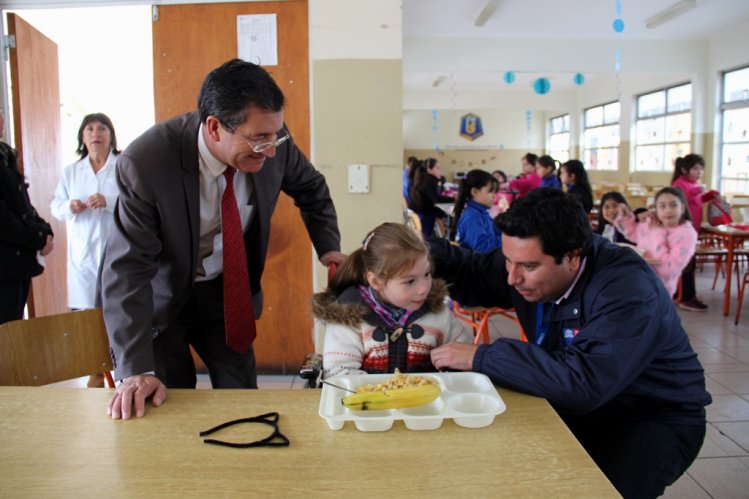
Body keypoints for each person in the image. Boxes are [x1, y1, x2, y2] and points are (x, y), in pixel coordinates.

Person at [427, 188, 710, 498]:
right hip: (582, 403)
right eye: (509, 261)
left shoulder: (627, 289)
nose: (512, 278)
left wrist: (482, 356)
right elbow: (473, 274)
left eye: (529, 267)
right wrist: (421, 254)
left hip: (652, 417)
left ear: (574, 256)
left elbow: (583, 382)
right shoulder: (528, 259)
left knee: (596, 492)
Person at [101, 59, 344, 420]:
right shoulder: (147, 163)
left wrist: (329, 248)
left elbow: (311, 187)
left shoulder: (273, 139)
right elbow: (127, 269)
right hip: (161, 298)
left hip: (226, 294)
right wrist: (135, 368)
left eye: (274, 135)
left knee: (242, 399)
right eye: (260, 138)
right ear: (214, 128)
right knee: (168, 403)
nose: (272, 149)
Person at [311, 223, 471, 378]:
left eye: (427, 274)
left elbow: (462, 354)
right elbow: (338, 373)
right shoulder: (347, 320)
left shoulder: (438, 314)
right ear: (376, 282)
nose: (424, 288)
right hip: (368, 404)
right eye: (410, 281)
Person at [51, 113, 120, 310]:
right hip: (83, 257)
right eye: (89, 129)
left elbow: (135, 202)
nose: (95, 133)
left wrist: (107, 201)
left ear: (111, 136)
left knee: (116, 313)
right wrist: (70, 207)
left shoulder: (123, 166)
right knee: (86, 318)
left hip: (116, 250)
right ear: (82, 137)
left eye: (102, 128)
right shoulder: (71, 172)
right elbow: (56, 206)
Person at [0, 111, 55, 324]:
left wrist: (44, 229)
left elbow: (22, 205)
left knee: (12, 333)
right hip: (4, 266)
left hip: (15, 266)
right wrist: (37, 237)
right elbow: (2, 219)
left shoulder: (5, 155)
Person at [615, 187, 697, 296]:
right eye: (662, 206)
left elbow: (668, 269)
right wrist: (625, 216)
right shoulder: (653, 223)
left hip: (659, 291)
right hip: (637, 284)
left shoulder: (686, 234)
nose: (668, 210)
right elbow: (633, 234)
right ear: (656, 209)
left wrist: (657, 234)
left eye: (673, 205)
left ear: (682, 208)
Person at [671, 154, 719, 312]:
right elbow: (679, 200)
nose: (699, 172)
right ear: (684, 169)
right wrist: (698, 190)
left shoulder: (693, 184)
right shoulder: (679, 184)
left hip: (693, 231)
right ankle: (684, 297)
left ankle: (687, 295)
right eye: (695, 169)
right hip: (681, 231)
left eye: (701, 169)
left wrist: (708, 195)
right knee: (686, 265)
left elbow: (696, 201)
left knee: (691, 265)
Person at [449, 169, 502, 252]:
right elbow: (482, 247)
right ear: (475, 192)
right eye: (491, 191)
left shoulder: (482, 212)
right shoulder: (473, 217)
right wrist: (507, 240)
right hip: (477, 263)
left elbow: (495, 231)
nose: (494, 196)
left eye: (495, 192)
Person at [409, 157, 453, 239]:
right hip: (424, 213)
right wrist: (455, 199)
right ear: (429, 170)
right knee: (446, 214)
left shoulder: (425, 178)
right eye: (437, 168)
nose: (440, 170)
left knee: (443, 213)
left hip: (420, 210)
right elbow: (436, 199)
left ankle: (443, 235)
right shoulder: (429, 181)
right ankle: (445, 235)